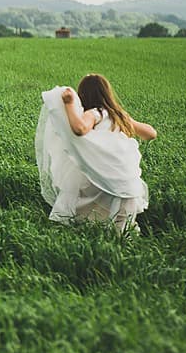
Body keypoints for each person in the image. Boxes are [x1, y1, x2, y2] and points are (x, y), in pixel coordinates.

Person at [35, 73, 157, 234]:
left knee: (78, 191)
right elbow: (151, 134)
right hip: (128, 184)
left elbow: (79, 129)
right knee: (121, 229)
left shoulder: (95, 113)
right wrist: (127, 122)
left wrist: (69, 104)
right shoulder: (119, 116)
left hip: (105, 182)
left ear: (83, 95)